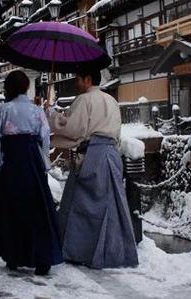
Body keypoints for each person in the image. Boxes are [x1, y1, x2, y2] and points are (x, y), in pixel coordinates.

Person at [47, 69, 138, 269]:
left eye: (78, 78)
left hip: (92, 156)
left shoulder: (84, 99)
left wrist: (51, 114)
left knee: (82, 206)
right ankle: (114, 251)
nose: (76, 83)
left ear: (88, 79)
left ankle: (81, 250)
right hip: (112, 155)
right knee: (111, 205)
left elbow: (71, 127)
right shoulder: (112, 101)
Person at [0, 71, 63, 276]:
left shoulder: (1, 110)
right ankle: (41, 258)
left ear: (8, 88)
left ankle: (14, 255)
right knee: (37, 209)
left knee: (12, 209)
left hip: (10, 162)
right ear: (26, 87)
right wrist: (43, 163)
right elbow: (45, 139)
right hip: (33, 162)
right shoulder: (37, 111)